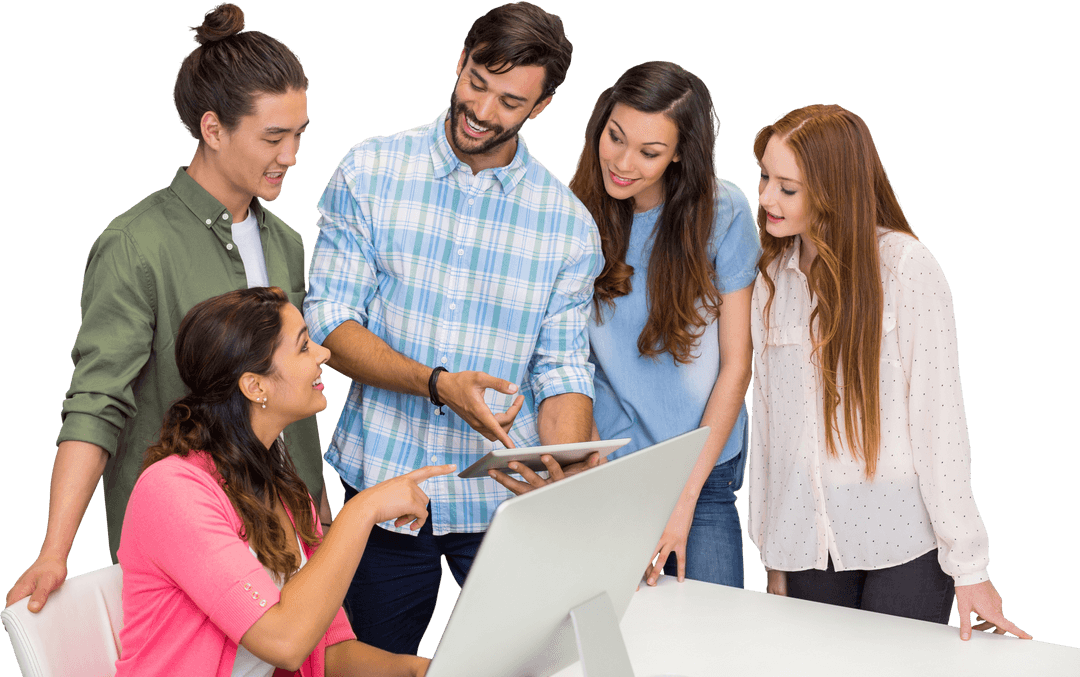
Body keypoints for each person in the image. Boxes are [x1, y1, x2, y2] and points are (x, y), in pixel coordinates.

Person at [6, 2, 329, 614]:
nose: (291, 155)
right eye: (273, 137)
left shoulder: (285, 243)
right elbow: (97, 402)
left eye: (299, 135)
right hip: (193, 550)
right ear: (212, 129)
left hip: (293, 532)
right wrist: (54, 549)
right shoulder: (135, 246)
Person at [303, 1, 602, 653]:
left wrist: (567, 465)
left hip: (506, 503)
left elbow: (562, 368)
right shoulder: (370, 172)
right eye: (477, 83)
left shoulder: (567, 224)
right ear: (460, 61)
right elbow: (329, 320)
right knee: (375, 664)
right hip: (385, 483)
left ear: (543, 105)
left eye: (511, 101)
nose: (485, 111)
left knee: (544, 661)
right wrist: (437, 384)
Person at [747, 104, 1030, 641]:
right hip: (806, 543)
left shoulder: (905, 268)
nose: (765, 199)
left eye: (788, 187)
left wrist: (970, 568)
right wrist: (772, 548)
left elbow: (940, 422)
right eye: (765, 177)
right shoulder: (771, 281)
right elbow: (768, 424)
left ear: (835, 188)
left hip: (904, 542)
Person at [493, 62, 759, 589]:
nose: (622, 162)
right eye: (615, 138)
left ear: (680, 153)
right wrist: (595, 472)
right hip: (611, 468)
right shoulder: (571, 218)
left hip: (700, 474)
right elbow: (569, 359)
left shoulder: (723, 211)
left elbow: (737, 365)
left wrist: (683, 500)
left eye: (650, 152)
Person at [115, 286, 449, 676]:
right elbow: (285, 643)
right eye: (304, 346)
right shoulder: (172, 491)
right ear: (256, 386)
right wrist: (362, 509)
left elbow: (328, 652)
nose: (324, 353)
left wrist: (423, 670)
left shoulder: (285, 492)